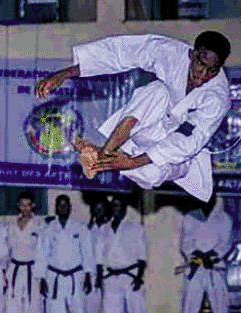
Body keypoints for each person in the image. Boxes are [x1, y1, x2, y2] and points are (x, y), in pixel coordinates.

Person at [37, 32, 231, 202]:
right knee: (159, 90)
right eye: (201, 64)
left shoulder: (217, 97)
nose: (204, 74)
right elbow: (122, 53)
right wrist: (66, 73)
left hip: (178, 157)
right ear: (192, 54)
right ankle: (103, 155)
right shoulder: (170, 53)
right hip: (151, 126)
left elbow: (189, 141)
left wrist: (133, 163)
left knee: (152, 174)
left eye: (212, 70)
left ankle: (102, 159)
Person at [175, 194, 239, 313]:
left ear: (214, 199)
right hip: (195, 269)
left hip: (215, 268)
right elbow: (186, 243)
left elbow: (225, 243)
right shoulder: (190, 217)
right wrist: (199, 257)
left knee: (220, 308)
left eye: (209, 197)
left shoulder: (224, 219)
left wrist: (211, 256)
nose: (205, 200)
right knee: (189, 307)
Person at [35, 195, 94, 313]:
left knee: (79, 312)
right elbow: (42, 254)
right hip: (54, 276)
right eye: (59, 205)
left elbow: (87, 252)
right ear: (55, 208)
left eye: (65, 205)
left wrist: (89, 275)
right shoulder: (47, 229)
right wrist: (41, 278)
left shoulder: (80, 227)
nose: (62, 208)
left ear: (70, 207)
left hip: (76, 275)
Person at [95, 195, 149, 313]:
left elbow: (142, 254)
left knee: (137, 312)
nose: (116, 209)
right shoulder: (104, 229)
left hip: (130, 275)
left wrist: (139, 277)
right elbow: (99, 256)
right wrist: (99, 277)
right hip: (110, 276)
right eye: (114, 206)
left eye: (120, 206)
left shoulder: (135, 227)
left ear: (125, 208)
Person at [5, 191, 44, 313]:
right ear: (18, 206)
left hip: (32, 270)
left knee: (33, 307)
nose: (25, 208)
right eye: (22, 205)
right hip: (14, 269)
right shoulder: (10, 225)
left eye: (28, 205)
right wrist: (4, 273)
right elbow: (6, 251)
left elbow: (43, 252)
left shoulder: (40, 224)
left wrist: (42, 276)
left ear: (33, 206)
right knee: (13, 308)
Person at [86, 198, 110, 313]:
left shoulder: (112, 227)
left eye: (102, 208)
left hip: (112, 273)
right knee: (91, 309)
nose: (99, 211)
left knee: (113, 309)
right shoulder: (88, 229)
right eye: (96, 208)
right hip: (93, 274)